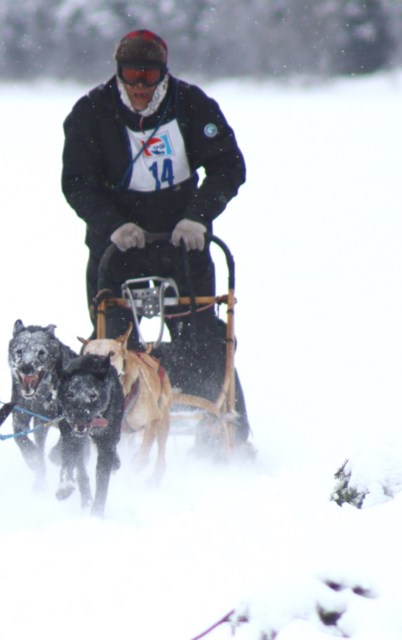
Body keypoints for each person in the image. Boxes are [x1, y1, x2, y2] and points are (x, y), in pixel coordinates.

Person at [61, 29, 250, 444]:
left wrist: (199, 217)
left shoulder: (193, 106)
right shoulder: (91, 112)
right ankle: (103, 433)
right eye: (132, 76)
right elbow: (77, 183)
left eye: (149, 77)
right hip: (117, 249)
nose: (141, 88)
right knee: (111, 345)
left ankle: (219, 429)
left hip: (183, 245)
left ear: (163, 74)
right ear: (119, 74)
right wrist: (113, 224)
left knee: (201, 333)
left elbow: (228, 166)